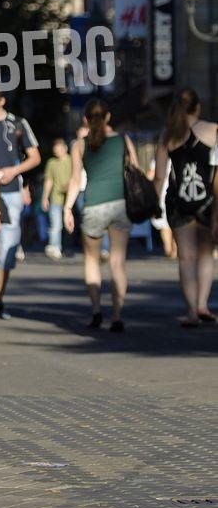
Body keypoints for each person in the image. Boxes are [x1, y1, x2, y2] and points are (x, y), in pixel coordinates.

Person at [64, 98, 138, 332]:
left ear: (86, 119)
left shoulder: (79, 145)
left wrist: (68, 207)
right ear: (108, 117)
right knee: (117, 262)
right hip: (119, 204)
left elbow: (76, 180)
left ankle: (96, 311)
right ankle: (117, 315)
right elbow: (134, 170)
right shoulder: (123, 140)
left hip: (93, 205)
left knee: (91, 261)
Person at [153, 88, 217, 326]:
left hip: (178, 203)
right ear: (198, 107)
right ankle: (202, 305)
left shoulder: (167, 135)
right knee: (205, 255)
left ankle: (191, 312)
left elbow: (160, 175)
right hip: (208, 202)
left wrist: (153, 203)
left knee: (186, 258)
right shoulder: (213, 131)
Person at [0, 90, 41, 319]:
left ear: (1, 101)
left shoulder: (18, 124)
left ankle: (0, 299)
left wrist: (13, 172)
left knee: (8, 249)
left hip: (12, 192)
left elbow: (35, 157)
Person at [41, 138, 71, 259]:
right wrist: (44, 197)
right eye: (55, 150)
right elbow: (49, 180)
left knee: (68, 224)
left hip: (70, 198)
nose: (57, 152)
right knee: (55, 224)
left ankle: (68, 247)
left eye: (60, 149)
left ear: (65, 148)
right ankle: (54, 246)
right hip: (55, 198)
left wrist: (70, 186)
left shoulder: (71, 160)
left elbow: (77, 176)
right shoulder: (51, 163)